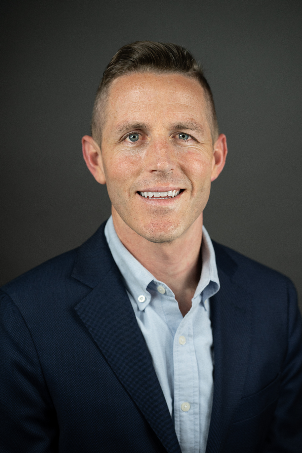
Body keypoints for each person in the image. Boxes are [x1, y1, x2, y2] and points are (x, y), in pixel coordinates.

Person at [0, 41, 301, 453]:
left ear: (216, 157)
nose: (160, 161)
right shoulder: (22, 318)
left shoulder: (276, 301)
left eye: (183, 134)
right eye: (133, 136)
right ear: (96, 160)